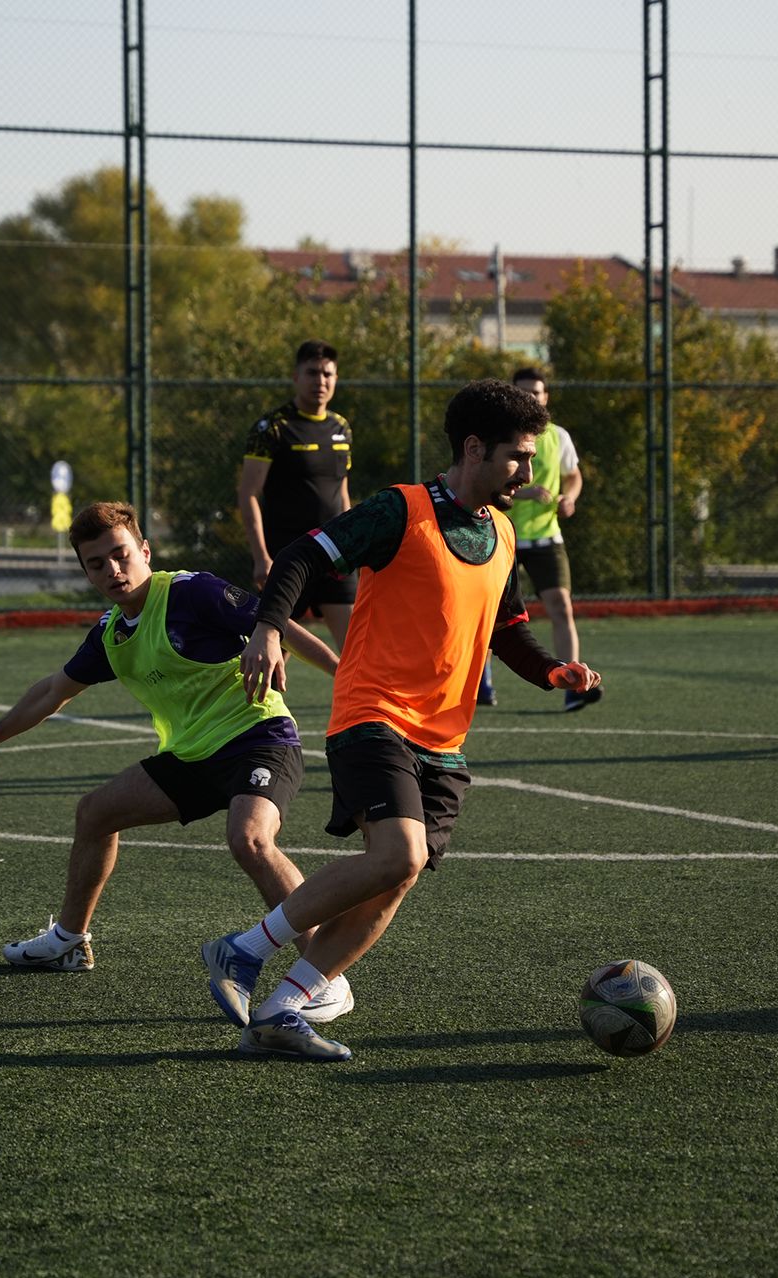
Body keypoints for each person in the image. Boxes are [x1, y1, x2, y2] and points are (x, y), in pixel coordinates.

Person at [201, 379, 602, 1062]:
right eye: (517, 457)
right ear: (474, 449)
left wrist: (551, 672)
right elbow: (300, 556)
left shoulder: (501, 533)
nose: (528, 475)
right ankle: (241, 951)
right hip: (373, 714)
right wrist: (269, 629)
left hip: (443, 739)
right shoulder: (400, 510)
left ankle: (282, 1007)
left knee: (397, 874)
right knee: (400, 853)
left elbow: (507, 630)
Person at [0, 499, 353, 1022]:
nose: (113, 570)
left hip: (259, 738)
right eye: (96, 564)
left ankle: (324, 974)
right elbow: (52, 691)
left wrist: (348, 682)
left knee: (250, 839)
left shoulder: (192, 592)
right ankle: (69, 941)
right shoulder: (110, 634)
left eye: (121, 554)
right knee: (96, 813)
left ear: (145, 550)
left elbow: (275, 618)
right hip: (191, 756)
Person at [493, 364, 601, 713]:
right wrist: (522, 495)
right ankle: (480, 683)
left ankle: (573, 683)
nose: (531, 398)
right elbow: (487, 484)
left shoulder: (558, 436)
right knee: (484, 614)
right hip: (502, 535)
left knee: (561, 606)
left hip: (546, 538)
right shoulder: (500, 436)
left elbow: (573, 476)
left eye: (536, 392)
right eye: (524, 393)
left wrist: (570, 496)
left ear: (546, 397)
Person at [238, 339, 355, 649]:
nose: (321, 381)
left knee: (357, 653)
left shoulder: (341, 428)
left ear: (336, 379)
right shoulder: (272, 428)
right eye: (312, 373)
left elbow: (341, 492)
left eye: (327, 374)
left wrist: (354, 547)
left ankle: (363, 700)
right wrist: (261, 556)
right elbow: (248, 493)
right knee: (272, 651)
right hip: (288, 559)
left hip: (333, 554)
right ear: (296, 376)